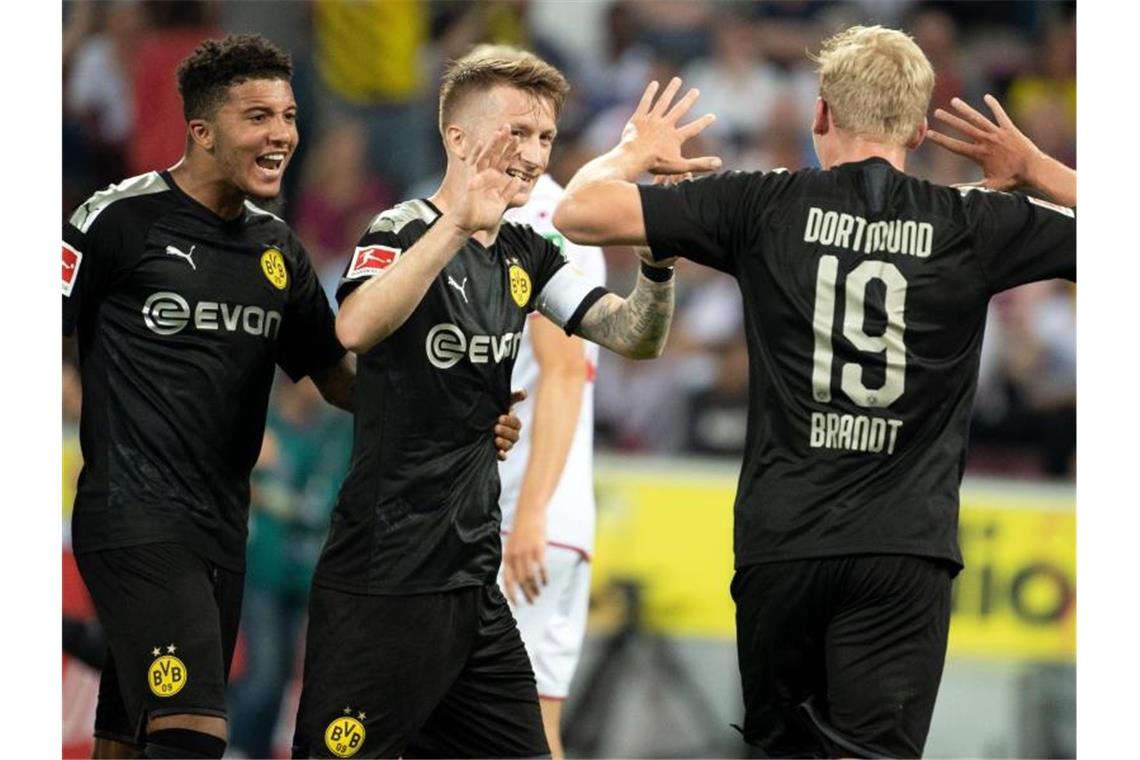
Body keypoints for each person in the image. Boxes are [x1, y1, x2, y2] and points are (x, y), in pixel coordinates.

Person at [554, 26, 1075, 759]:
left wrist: (629, 153)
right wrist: (1039, 168)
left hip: (783, 542)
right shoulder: (970, 224)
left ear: (820, 114)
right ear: (922, 128)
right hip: (905, 550)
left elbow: (576, 213)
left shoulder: (764, 204)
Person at [62, 34, 520, 760]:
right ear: (202, 130)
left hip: (223, 528)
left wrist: (451, 418)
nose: (282, 135)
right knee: (193, 732)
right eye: (258, 117)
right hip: (135, 518)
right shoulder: (116, 221)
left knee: (127, 737)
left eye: (289, 115)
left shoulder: (277, 251)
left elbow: (337, 376)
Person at [291, 45, 695, 758]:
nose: (535, 153)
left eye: (545, 137)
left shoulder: (529, 253)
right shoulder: (400, 229)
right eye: (518, 132)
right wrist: (455, 226)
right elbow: (353, 326)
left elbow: (634, 335)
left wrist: (656, 258)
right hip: (384, 574)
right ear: (458, 137)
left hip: (475, 579)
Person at [496, 170, 606, 759]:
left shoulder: (541, 219)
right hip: (514, 511)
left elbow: (563, 370)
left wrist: (531, 513)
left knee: (523, 733)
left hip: (525, 516)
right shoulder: (533, 211)